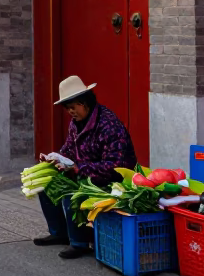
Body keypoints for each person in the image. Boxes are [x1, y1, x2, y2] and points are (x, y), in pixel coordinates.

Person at [34, 75, 137, 259]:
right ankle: (59, 233)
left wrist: (79, 169)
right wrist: (54, 159)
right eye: (68, 108)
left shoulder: (108, 124)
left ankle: (79, 243)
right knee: (47, 186)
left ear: (86, 102)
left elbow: (115, 167)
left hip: (111, 181)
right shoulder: (76, 124)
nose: (71, 112)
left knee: (71, 194)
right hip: (83, 172)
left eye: (74, 107)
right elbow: (68, 149)